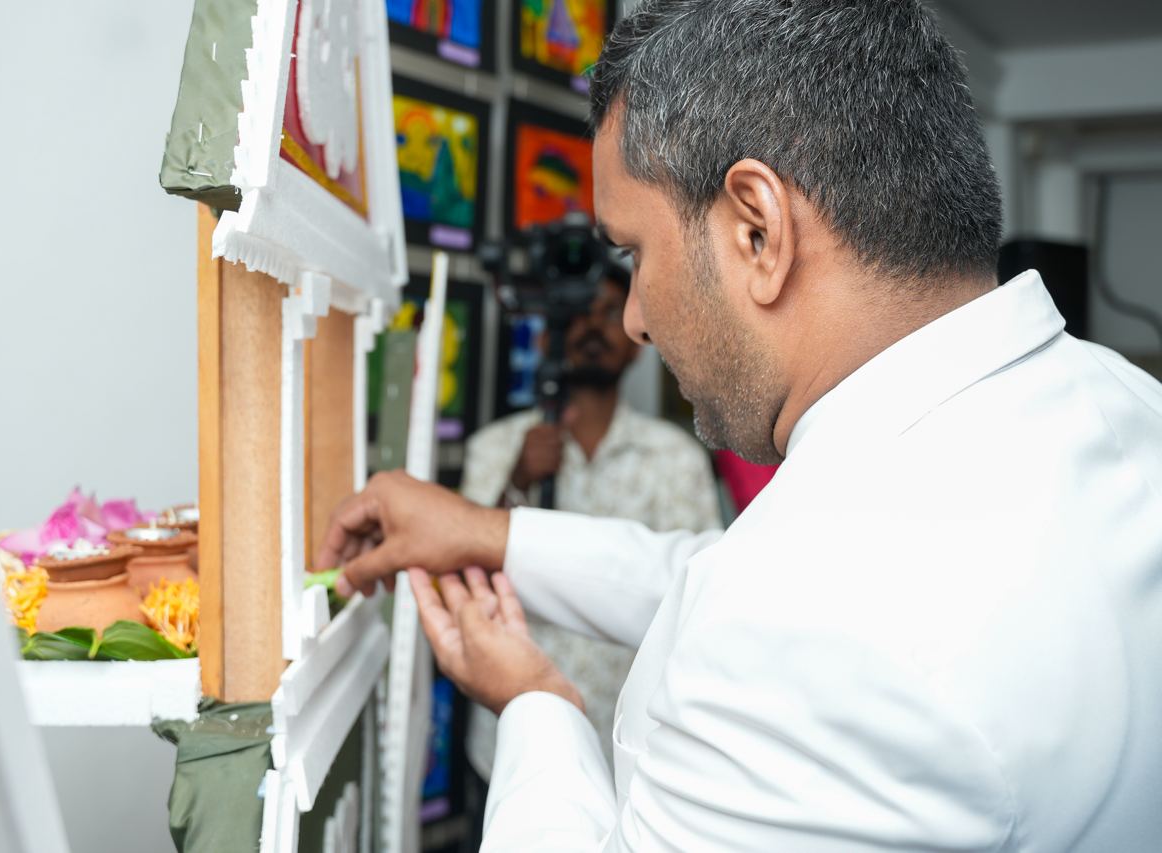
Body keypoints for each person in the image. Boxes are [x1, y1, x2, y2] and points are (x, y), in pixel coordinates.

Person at [319, 1, 1162, 849]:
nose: (638, 318)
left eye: (637, 253)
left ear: (757, 229)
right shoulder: (1125, 404)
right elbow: (708, 572)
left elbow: (781, 606)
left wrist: (540, 708)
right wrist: (491, 535)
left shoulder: (802, 629)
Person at [459, 264, 720, 801]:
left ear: (635, 344)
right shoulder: (496, 447)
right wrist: (518, 482)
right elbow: (461, 586)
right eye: (579, 314)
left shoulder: (675, 458)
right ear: (551, 335)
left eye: (608, 313)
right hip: (510, 740)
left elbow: (703, 605)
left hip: (633, 750)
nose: (594, 328)